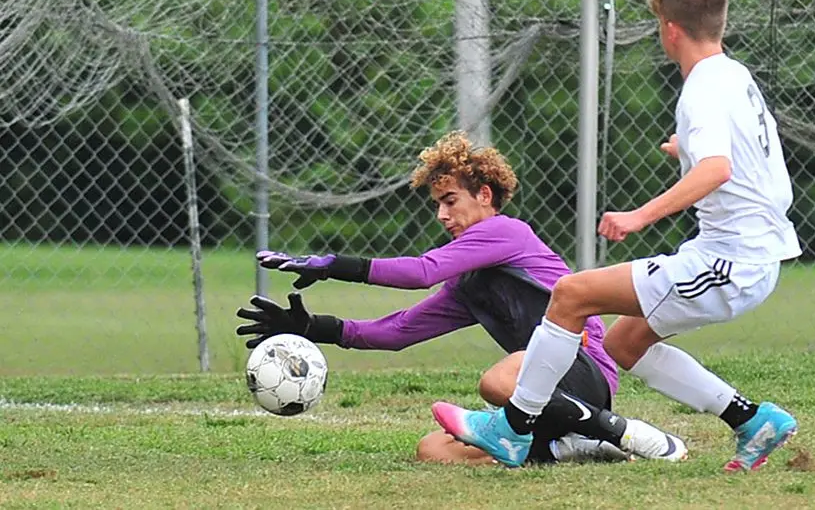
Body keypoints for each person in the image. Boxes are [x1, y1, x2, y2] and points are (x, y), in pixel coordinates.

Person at [432, 0, 803, 472]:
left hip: (730, 261)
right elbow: (742, 154)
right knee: (625, 341)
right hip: (747, 254)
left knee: (571, 294)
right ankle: (751, 420)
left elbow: (719, 168)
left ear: (669, 29)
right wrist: (687, 150)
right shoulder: (733, 75)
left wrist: (639, 216)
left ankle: (513, 428)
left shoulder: (701, 89)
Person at [234, 131, 687, 466]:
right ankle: (571, 447)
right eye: (437, 203)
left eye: (450, 201)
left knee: (497, 382)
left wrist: (334, 264)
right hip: (538, 393)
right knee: (432, 449)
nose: (441, 214)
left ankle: (619, 432)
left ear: (484, 196)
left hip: (584, 373)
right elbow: (397, 332)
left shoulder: (507, 232)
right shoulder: (469, 286)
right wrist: (311, 328)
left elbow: (422, 272)